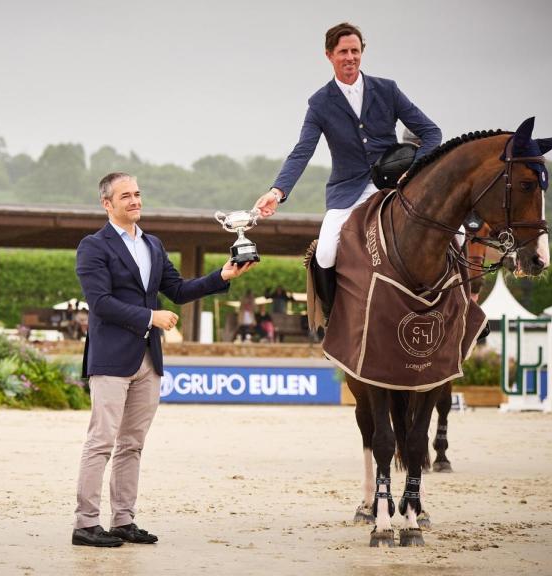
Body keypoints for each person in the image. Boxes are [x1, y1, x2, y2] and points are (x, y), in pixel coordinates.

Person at [72, 172, 254, 547]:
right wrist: (149, 317)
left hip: (148, 360)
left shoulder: (153, 244)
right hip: (110, 359)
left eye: (138, 194)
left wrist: (222, 275)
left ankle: (122, 521)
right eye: (126, 196)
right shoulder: (93, 246)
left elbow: (178, 290)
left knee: (132, 445)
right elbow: (100, 303)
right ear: (107, 204)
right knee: (101, 442)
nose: (135, 200)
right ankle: (86, 524)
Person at [253, 22, 441, 322]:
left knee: (452, 235)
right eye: (343, 52)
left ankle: (463, 305)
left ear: (362, 53)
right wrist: (277, 191)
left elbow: (432, 132)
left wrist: (414, 169)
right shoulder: (319, 103)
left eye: (355, 51)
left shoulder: (387, 90)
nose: (350, 57)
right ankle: (333, 319)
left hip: (394, 185)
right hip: (347, 190)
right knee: (326, 252)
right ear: (329, 55)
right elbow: (303, 151)